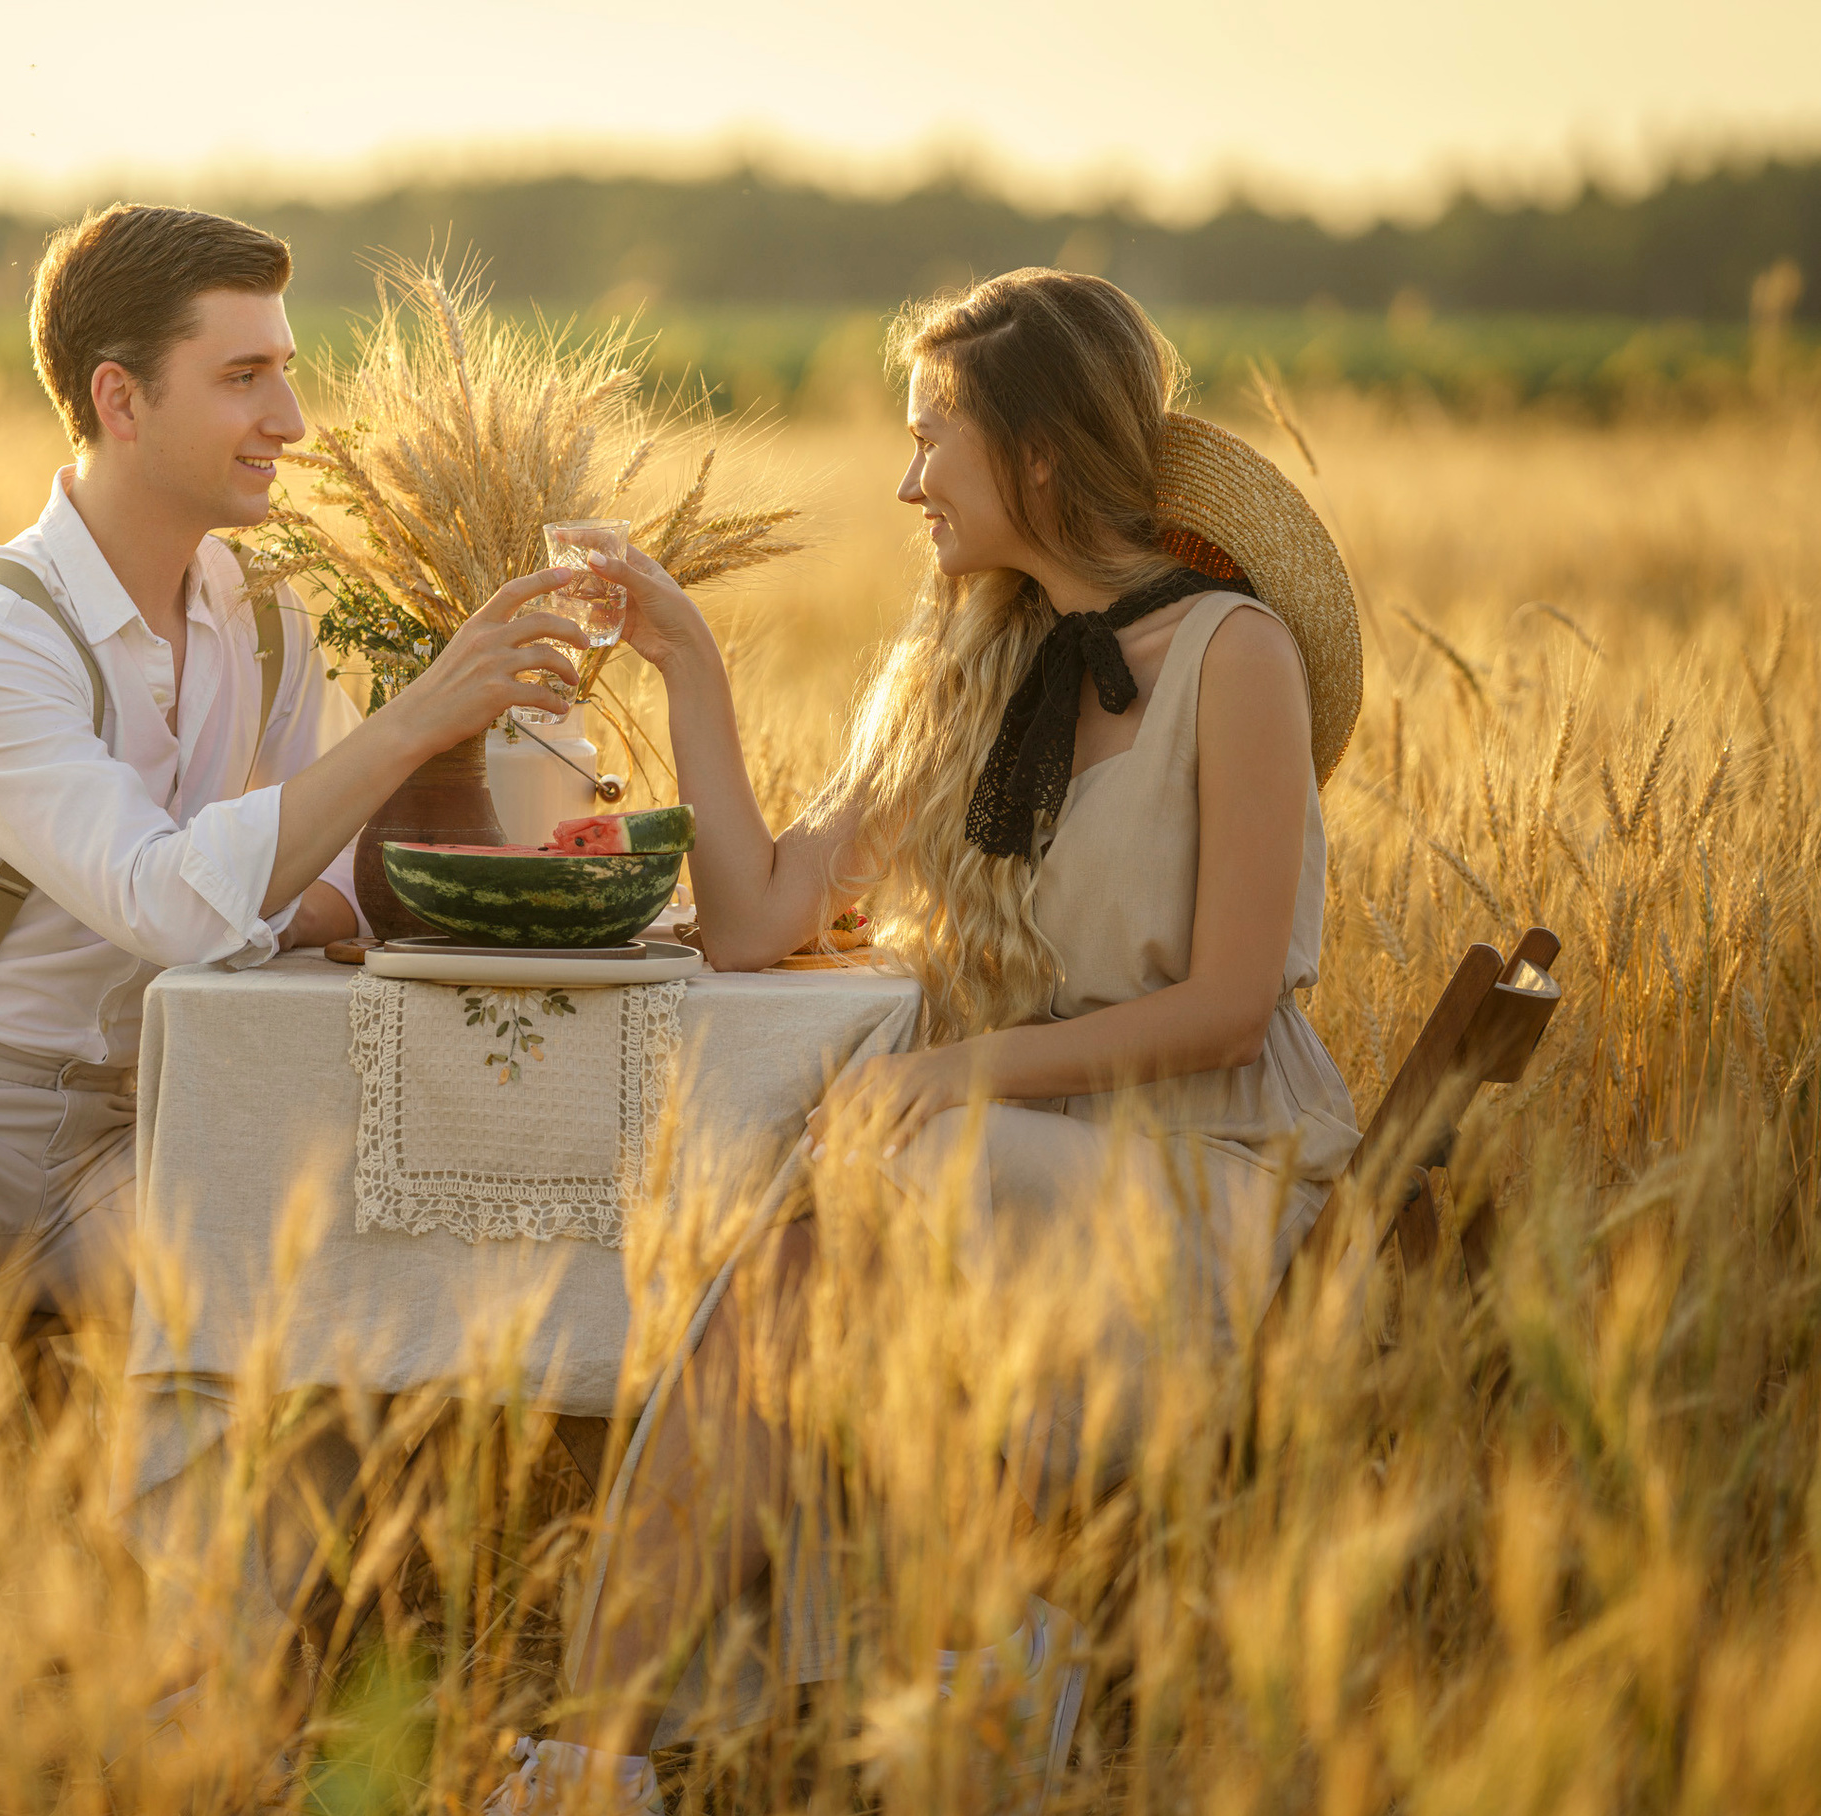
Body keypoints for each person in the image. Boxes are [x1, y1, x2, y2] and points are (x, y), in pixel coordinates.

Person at [489, 267, 1364, 1811]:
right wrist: (689, 656)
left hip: (1206, 1166)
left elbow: (1231, 1001)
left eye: (927, 442)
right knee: (784, 1286)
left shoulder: (1238, 660)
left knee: (880, 1179)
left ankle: (957, 1665)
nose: (904, 483)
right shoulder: (960, 665)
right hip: (985, 1165)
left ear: (1032, 452)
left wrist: (955, 1074)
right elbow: (760, 917)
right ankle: (611, 1752)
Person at [0, 203, 585, 1684]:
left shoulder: (260, 618)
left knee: (297, 1265)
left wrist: (504, 777)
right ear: (121, 401)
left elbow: (306, 883)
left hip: (123, 1129)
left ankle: (196, 1693)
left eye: (287, 371)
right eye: (246, 376)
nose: (294, 420)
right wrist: (409, 727)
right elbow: (170, 899)